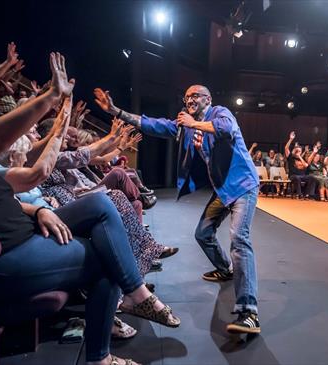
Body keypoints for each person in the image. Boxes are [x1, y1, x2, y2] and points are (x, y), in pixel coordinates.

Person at [0, 53, 180, 365]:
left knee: (102, 203)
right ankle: (102, 352)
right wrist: (50, 98)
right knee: (107, 259)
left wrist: (36, 211)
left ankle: (135, 295)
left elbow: (30, 177)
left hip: (28, 231)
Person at [94, 84, 261, 334]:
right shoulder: (185, 124)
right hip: (223, 190)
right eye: (186, 97)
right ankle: (226, 269)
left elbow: (226, 130)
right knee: (203, 234)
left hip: (243, 186)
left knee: (239, 239)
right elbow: (151, 124)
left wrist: (193, 124)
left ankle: (249, 312)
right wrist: (116, 110)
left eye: (195, 95)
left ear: (208, 98)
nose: (189, 100)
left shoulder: (220, 113)